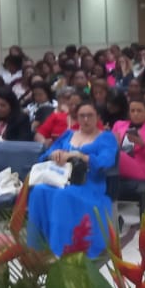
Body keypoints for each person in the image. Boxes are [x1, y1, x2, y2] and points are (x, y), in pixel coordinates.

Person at [27, 102, 119, 258]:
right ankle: (36, 248)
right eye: (82, 116)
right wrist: (54, 154)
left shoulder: (106, 138)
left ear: (97, 117)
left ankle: (60, 250)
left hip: (88, 183)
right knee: (39, 191)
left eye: (90, 115)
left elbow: (106, 161)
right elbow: (45, 155)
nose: (86, 119)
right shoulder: (68, 134)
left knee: (63, 195)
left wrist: (80, 156)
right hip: (60, 178)